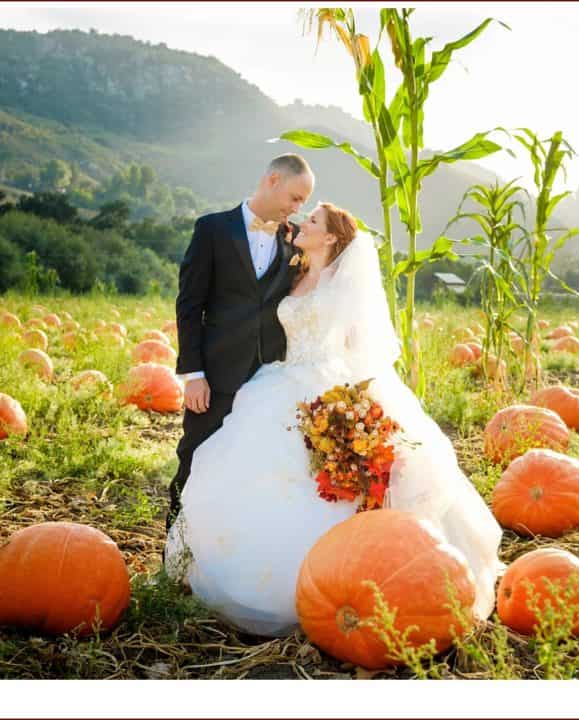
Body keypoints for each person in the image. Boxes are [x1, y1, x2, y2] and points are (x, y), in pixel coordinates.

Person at [165, 202, 504, 636]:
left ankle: (352, 578)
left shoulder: (345, 288)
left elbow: (362, 350)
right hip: (278, 381)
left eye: (312, 221)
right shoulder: (291, 272)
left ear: (329, 238)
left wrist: (357, 405)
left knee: (334, 479)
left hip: (328, 382)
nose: (301, 222)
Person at [169, 154, 313, 532]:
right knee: (195, 458)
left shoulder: (296, 239)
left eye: (303, 202)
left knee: (252, 470)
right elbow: (189, 305)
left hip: (269, 378)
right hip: (215, 374)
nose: (299, 208)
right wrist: (194, 374)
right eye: (296, 197)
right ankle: (175, 548)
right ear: (273, 180)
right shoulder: (213, 229)